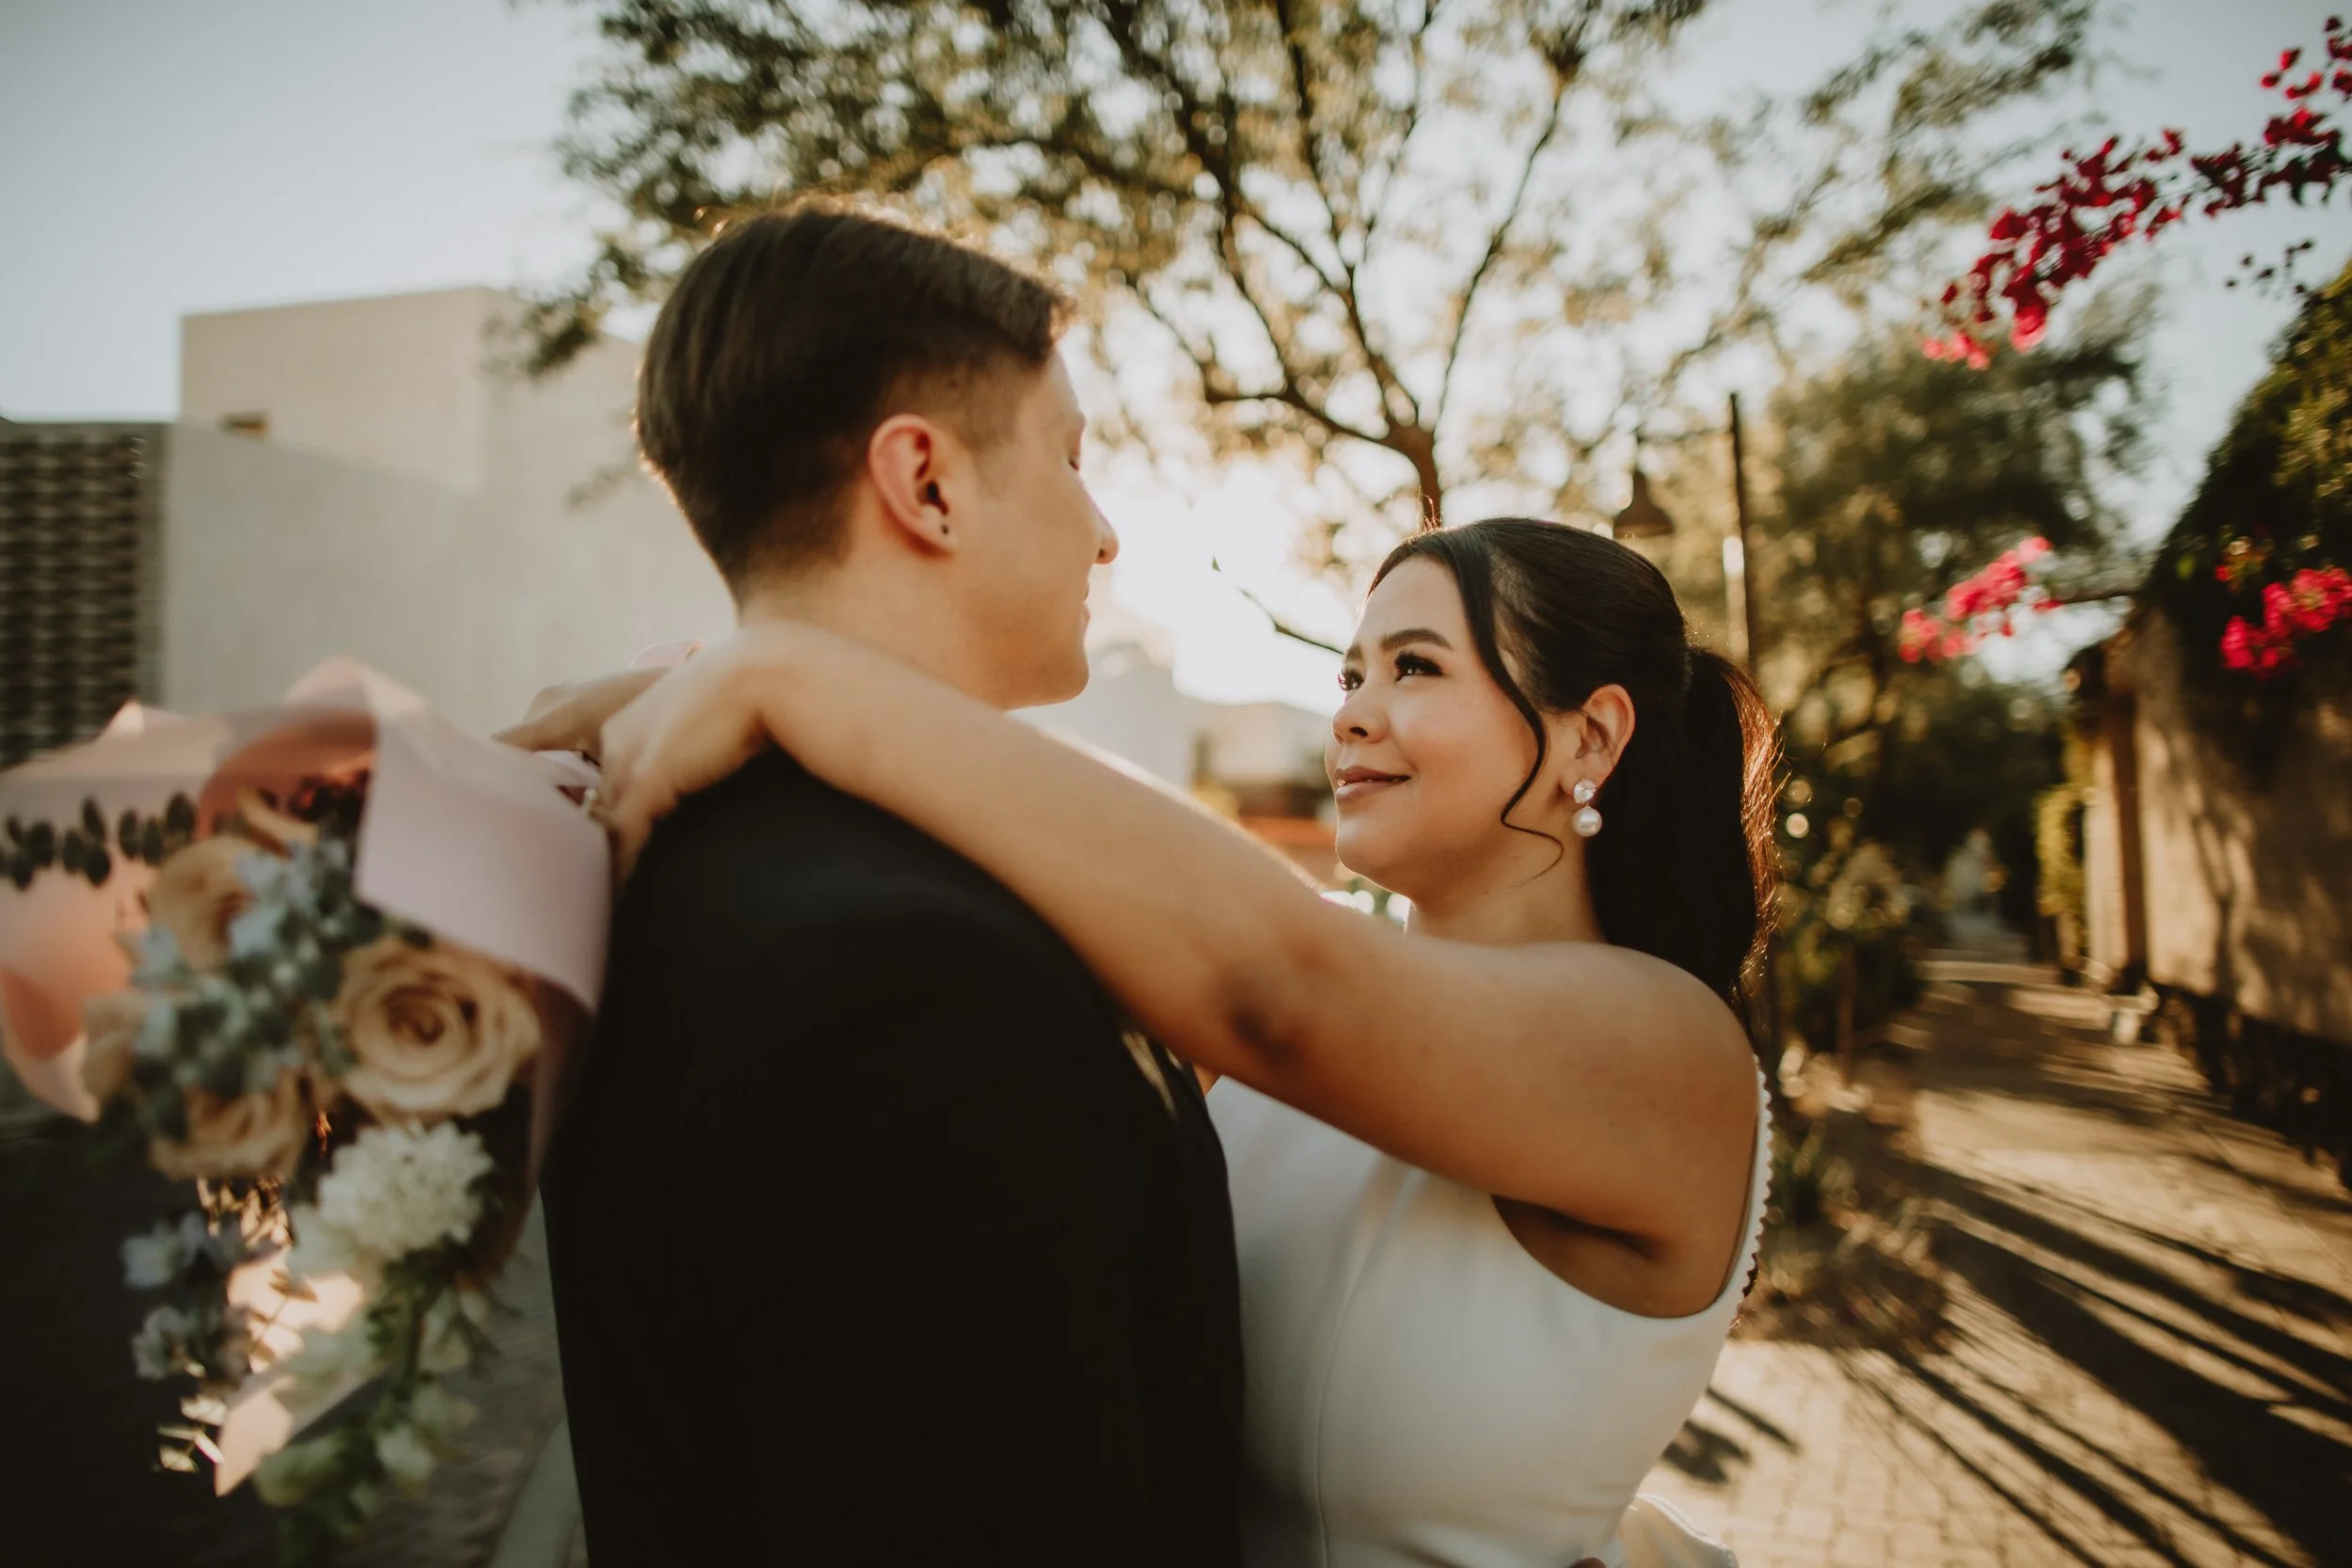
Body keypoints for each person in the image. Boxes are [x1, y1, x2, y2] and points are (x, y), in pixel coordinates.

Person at [518, 506, 1777, 1562]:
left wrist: (786, 678)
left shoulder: (1667, 1048)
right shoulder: (1334, 969)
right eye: (1350, 672)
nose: (1351, 713)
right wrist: (694, 712)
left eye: (1416, 667)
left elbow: (1276, 985)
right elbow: (1046, 871)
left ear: (1592, 735)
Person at [520, 202, 1244, 1567]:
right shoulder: (923, 974)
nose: (1106, 534)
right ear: (926, 481)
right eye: (1075, 459)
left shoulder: (656, 870)